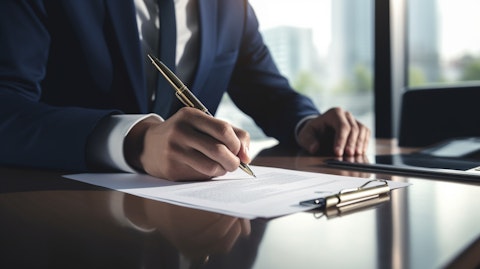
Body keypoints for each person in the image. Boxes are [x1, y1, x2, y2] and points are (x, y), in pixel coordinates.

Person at [0, 0, 370, 181]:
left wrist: (306, 122)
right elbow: (7, 108)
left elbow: (269, 90)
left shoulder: (231, 7)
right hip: (57, 213)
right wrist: (137, 141)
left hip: (189, 217)